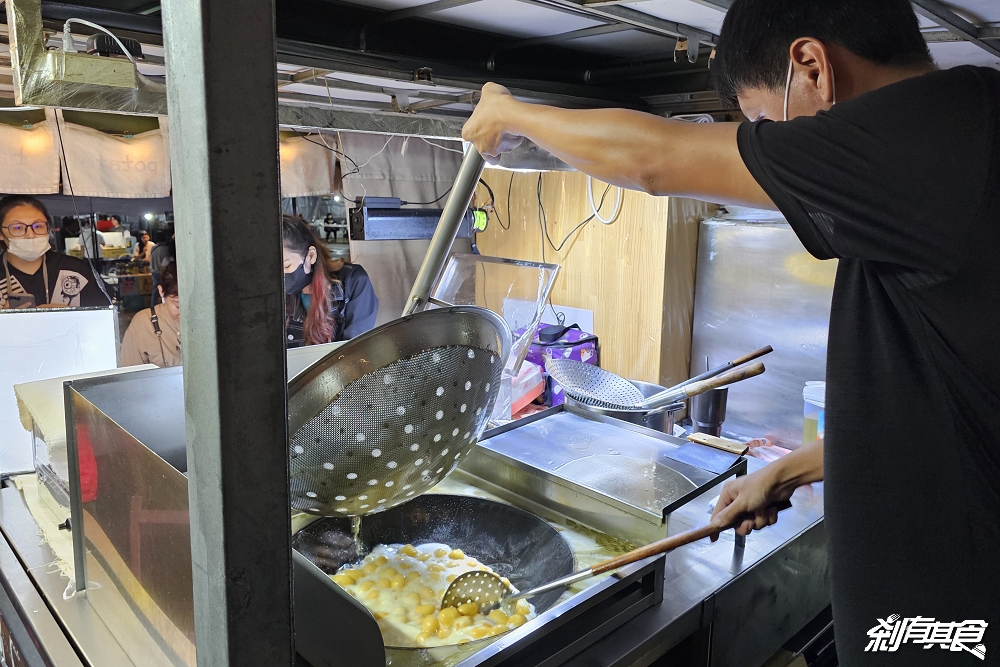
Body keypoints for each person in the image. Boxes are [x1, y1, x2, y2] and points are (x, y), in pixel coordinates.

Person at [462, 1, 999, 664]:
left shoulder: (931, 136)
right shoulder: (959, 141)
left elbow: (653, 163)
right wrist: (789, 469)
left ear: (812, 68)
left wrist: (510, 113)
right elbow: (947, 404)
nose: (775, 152)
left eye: (767, 128)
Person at [282, 214, 378, 346]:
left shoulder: (353, 282)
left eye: (286, 266)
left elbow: (355, 349)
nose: (281, 275)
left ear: (311, 255)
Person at [0, 195, 112, 309]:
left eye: (38, 226)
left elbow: (104, 316)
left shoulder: (76, 269)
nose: (30, 235)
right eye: (17, 227)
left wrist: (70, 315)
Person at [121, 261, 181, 367]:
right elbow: (131, 376)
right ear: (161, 291)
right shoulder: (142, 324)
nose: (186, 314)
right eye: (178, 306)